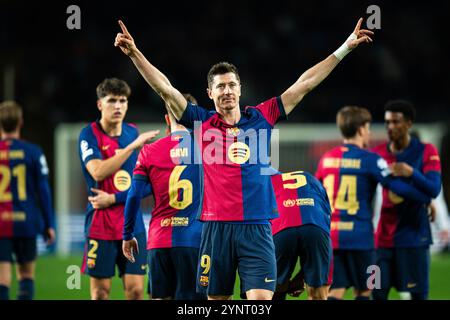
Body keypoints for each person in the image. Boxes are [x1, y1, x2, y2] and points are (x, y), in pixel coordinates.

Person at [114, 17, 374, 300]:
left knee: (261, 301)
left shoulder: (262, 117)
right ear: (209, 93)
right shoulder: (201, 122)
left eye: (231, 85)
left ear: (240, 88)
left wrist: (345, 48)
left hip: (257, 228)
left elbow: (305, 84)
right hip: (215, 229)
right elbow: (164, 88)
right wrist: (135, 54)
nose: (227, 91)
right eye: (220, 86)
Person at [315, 106, 432, 300]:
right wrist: (426, 197)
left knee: (335, 291)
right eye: (368, 128)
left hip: (333, 237)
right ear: (361, 129)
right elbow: (398, 188)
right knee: (369, 288)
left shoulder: (327, 158)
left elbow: (318, 194)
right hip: (363, 242)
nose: (369, 133)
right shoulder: (371, 160)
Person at [78, 78, 159, 300]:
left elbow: (143, 185)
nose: (118, 106)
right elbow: (98, 172)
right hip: (100, 225)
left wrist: (113, 198)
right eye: (111, 100)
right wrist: (132, 147)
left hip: (131, 224)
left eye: (122, 100)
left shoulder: (132, 131)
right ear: (99, 105)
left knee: (135, 291)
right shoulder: (89, 134)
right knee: (100, 292)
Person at [122, 94, 205, 300]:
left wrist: (127, 234)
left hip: (159, 240)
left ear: (168, 119)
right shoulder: (207, 149)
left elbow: (134, 196)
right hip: (194, 239)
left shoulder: (149, 151)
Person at [371, 100, 442, 300]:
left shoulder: (427, 151)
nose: (390, 127)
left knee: (418, 295)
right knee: (373, 292)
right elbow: (429, 194)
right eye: (387, 122)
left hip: (414, 239)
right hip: (381, 240)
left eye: (396, 122)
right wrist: (424, 199)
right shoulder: (378, 155)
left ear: (409, 123)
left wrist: (412, 173)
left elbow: (435, 189)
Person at [0, 101, 55, 300]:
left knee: (2, 280)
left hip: (1, 224)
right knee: (26, 276)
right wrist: (49, 223)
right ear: (20, 122)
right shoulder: (33, 152)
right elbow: (44, 191)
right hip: (27, 222)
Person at [270, 170, 332, 300]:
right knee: (318, 292)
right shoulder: (312, 179)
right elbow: (326, 216)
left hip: (281, 227)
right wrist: (302, 277)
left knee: (274, 289)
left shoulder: (269, 182)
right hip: (315, 225)